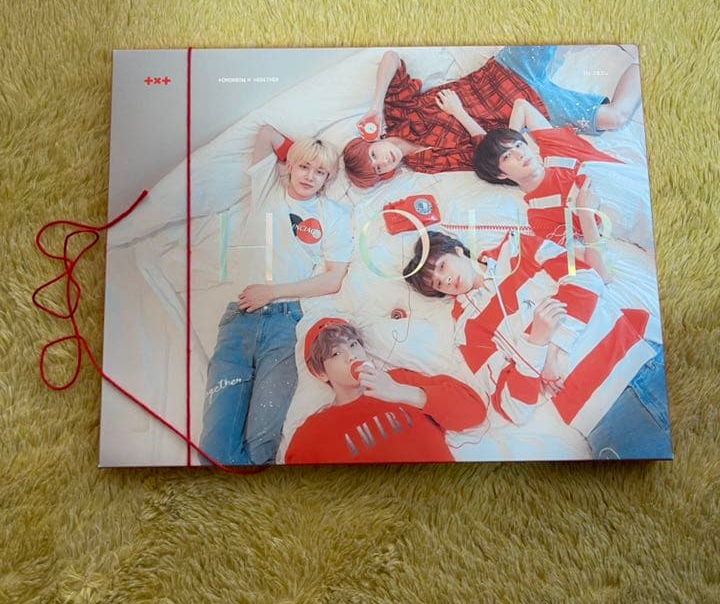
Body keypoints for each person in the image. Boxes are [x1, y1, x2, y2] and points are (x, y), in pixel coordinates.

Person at [402, 230, 671, 458]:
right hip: (598, 420)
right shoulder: (466, 333)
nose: (446, 280)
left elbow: (585, 278)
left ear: (458, 250)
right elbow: (512, 407)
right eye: (438, 284)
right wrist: (536, 341)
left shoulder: (516, 248)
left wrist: (552, 352)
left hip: (640, 364)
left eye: (442, 266)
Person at [199, 125, 354, 466]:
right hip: (239, 320)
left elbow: (333, 279)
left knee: (261, 445)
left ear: (329, 178)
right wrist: (303, 152)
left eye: (320, 171)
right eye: (304, 167)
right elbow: (267, 133)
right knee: (215, 448)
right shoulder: (267, 189)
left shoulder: (334, 215)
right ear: (290, 166)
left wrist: (271, 293)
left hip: (287, 324)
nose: (310, 176)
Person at [342, 47, 641, 188]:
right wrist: (459, 113)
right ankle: (647, 59)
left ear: (370, 141)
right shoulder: (424, 164)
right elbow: (487, 153)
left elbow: (391, 58)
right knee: (615, 117)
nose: (384, 161)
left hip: (503, 75)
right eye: (378, 169)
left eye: (373, 155)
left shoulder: (399, 112)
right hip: (534, 109)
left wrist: (376, 107)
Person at [284, 318, 488, 464]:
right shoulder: (310, 435)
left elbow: (474, 412)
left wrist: (402, 392)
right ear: (321, 373)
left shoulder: (401, 379)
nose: (351, 356)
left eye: (353, 344)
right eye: (336, 353)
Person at [472, 98, 654, 253]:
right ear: (501, 174)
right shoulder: (539, 215)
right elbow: (589, 263)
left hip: (650, 183)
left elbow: (522, 105)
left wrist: (506, 138)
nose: (519, 154)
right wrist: (585, 214)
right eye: (506, 156)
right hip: (650, 229)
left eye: (519, 145)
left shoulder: (556, 149)